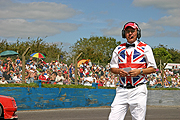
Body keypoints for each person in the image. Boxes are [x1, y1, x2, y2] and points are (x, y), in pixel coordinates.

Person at [108, 22, 157, 120]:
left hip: (138, 89)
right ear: (124, 34)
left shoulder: (145, 48)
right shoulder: (118, 49)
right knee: (113, 118)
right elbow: (112, 67)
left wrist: (140, 71)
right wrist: (119, 71)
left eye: (132, 31)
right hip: (122, 89)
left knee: (138, 118)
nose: (130, 33)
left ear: (137, 33)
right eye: (127, 31)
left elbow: (153, 68)